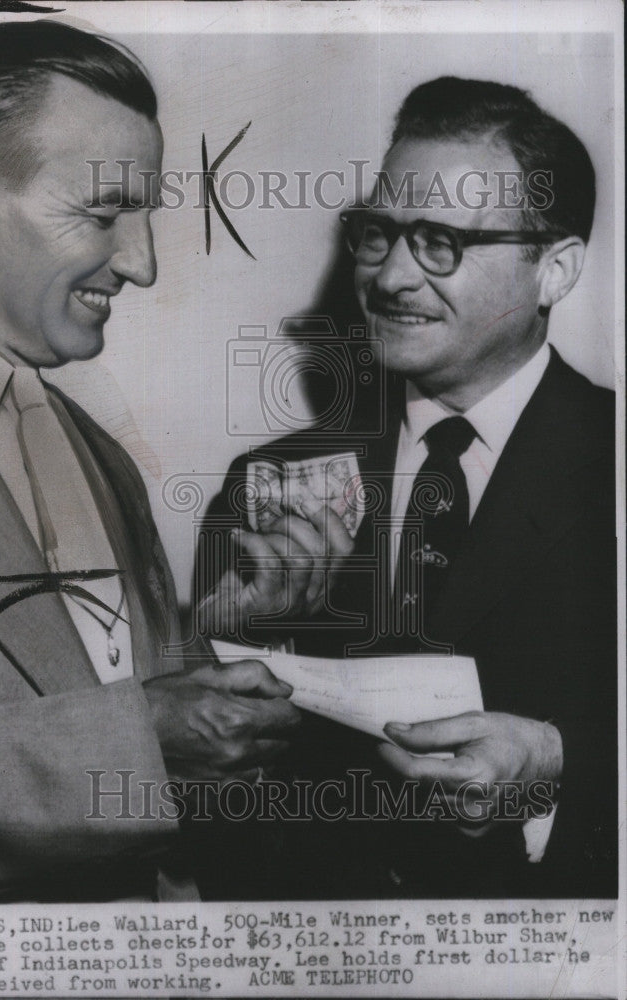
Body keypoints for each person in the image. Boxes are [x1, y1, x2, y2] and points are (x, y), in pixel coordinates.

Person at [0, 21, 299, 993]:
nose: (142, 264)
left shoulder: (94, 449)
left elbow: (86, 684)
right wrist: (137, 744)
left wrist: (217, 641)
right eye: (103, 213)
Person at [199, 77, 616, 900]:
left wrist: (560, 760)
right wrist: (213, 645)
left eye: (439, 243)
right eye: (378, 234)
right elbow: (207, 778)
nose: (390, 278)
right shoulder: (269, 486)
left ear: (555, 270)